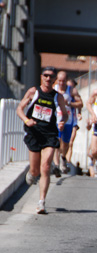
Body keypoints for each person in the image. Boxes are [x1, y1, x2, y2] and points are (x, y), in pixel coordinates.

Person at [16, 66, 69, 214]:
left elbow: (65, 114)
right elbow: (19, 108)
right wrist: (26, 120)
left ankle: (41, 202)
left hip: (50, 134)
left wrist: (62, 121)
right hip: (34, 133)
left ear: (54, 79)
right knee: (35, 170)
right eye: (45, 75)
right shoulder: (34, 92)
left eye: (51, 76)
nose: (48, 78)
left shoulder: (58, 97)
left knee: (45, 167)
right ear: (41, 76)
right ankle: (32, 174)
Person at [53, 71, 83, 175]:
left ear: (67, 80)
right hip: (56, 120)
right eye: (59, 80)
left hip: (68, 120)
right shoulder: (53, 89)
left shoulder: (71, 90)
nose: (61, 83)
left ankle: (63, 157)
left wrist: (69, 103)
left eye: (63, 81)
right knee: (56, 142)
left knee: (66, 144)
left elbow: (81, 103)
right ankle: (57, 166)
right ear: (57, 80)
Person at [66, 78, 83, 172]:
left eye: (71, 86)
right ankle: (62, 158)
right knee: (61, 143)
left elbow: (80, 104)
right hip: (61, 120)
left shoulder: (74, 94)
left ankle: (67, 162)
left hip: (72, 120)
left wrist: (79, 113)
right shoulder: (60, 92)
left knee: (70, 142)